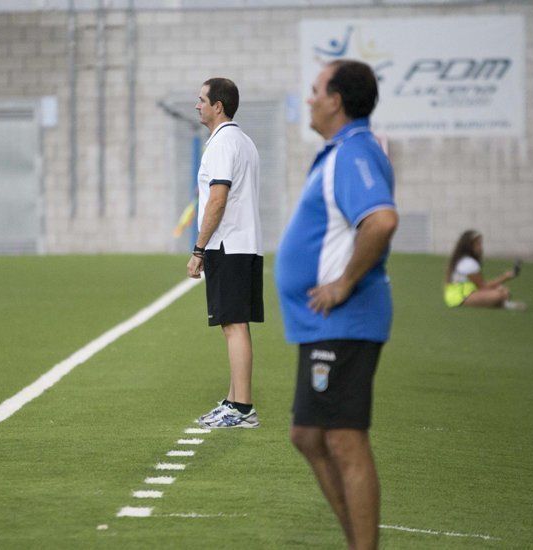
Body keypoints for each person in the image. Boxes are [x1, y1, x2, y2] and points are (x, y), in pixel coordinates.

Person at [275, 59, 397, 549]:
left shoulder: (354, 153)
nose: (308, 98)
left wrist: (344, 284)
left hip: (343, 321)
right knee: (307, 434)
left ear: (336, 100)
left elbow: (381, 221)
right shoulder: (341, 152)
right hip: (322, 325)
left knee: (344, 440)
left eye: (314, 90)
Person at [187, 77, 263, 429]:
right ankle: (235, 400)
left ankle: (242, 408)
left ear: (219, 105)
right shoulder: (244, 142)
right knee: (235, 325)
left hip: (227, 245)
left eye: (202, 99)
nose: (197, 105)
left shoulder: (221, 145)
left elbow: (217, 199)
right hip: (245, 244)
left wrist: (199, 249)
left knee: (233, 327)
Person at [444, 230, 525, 310]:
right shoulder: (468, 263)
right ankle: (504, 304)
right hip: (460, 297)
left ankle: (502, 304)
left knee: (503, 290)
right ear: (469, 246)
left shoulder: (464, 259)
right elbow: (483, 287)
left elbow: (480, 285)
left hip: (463, 293)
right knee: (498, 295)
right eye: (478, 244)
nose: (480, 247)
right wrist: (505, 277)